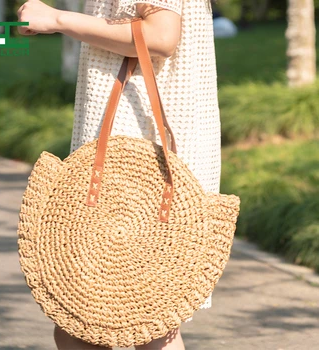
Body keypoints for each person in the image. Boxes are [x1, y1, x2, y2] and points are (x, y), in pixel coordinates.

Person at [17, 0, 220, 349]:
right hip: (132, 149)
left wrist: (58, 18)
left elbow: (160, 36)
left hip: (139, 154)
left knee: (132, 326)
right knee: (114, 323)